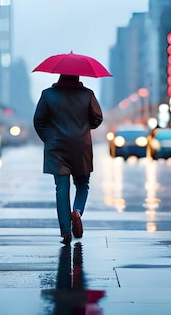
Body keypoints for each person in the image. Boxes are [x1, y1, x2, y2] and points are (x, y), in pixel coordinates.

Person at [34, 74, 103, 244]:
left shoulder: (48, 95)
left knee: (61, 188)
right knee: (82, 185)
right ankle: (77, 211)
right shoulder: (87, 94)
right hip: (81, 147)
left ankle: (65, 231)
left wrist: (49, 138)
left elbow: (38, 121)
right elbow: (98, 118)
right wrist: (84, 126)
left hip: (57, 148)